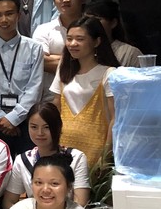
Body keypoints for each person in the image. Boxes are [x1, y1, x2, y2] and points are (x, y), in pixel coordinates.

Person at [0, 0, 44, 154]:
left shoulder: (34, 48)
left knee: (26, 163)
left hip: (26, 120)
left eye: (9, 14)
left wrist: (13, 118)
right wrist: (1, 119)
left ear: (18, 15)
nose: (4, 20)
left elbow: (35, 88)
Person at [50, 14, 119, 166]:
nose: (73, 44)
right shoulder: (64, 68)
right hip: (63, 145)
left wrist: (106, 155)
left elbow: (115, 118)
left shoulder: (109, 73)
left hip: (96, 147)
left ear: (97, 41)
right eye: (69, 39)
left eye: (80, 39)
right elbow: (56, 106)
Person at [3, 102, 91, 209]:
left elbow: (81, 202)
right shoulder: (22, 160)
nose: (40, 133)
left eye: (46, 127)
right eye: (34, 127)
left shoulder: (76, 157)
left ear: (58, 127)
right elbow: (9, 201)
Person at [32, 0, 87, 98]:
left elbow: (99, 61)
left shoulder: (93, 28)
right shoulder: (43, 30)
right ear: (54, 1)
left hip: (88, 95)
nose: (66, 0)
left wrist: (55, 58)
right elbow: (41, 62)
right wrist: (84, 60)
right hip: (51, 98)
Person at [85, 0, 142, 68]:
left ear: (113, 23)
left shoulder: (129, 52)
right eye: (86, 19)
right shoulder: (82, 50)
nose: (91, 24)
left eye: (97, 19)